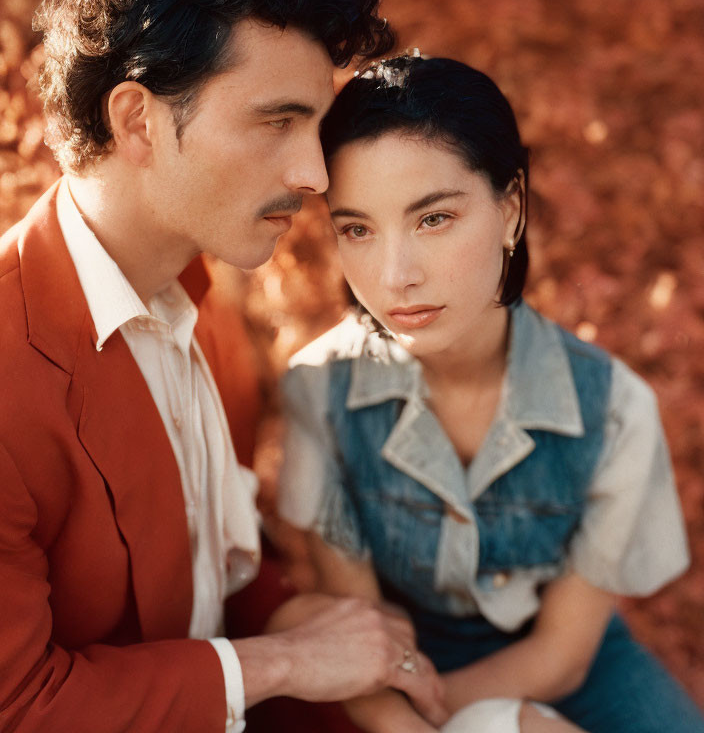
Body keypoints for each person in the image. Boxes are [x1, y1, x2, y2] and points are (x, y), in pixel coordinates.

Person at [0, 0, 449, 732]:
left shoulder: (197, 298)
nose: (315, 172)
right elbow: (19, 707)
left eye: (316, 127)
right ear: (138, 119)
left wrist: (294, 623)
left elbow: (210, 567)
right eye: (277, 121)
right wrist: (285, 662)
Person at [278, 55, 704, 733]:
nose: (395, 277)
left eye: (433, 219)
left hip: (574, 663)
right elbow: (357, 628)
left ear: (511, 208)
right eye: (357, 229)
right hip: (398, 664)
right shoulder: (319, 392)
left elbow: (563, 656)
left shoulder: (615, 411)